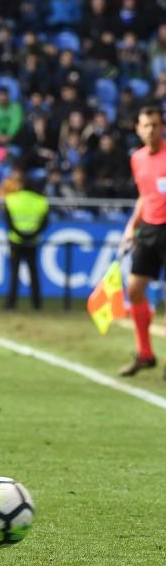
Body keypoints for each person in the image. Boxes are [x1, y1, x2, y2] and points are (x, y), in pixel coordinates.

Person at [119, 106, 166, 378]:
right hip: (148, 229)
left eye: (156, 125)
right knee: (135, 290)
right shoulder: (137, 159)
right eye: (146, 125)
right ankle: (145, 354)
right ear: (138, 128)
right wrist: (131, 227)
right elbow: (145, 196)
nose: (151, 130)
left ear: (162, 128)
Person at [0, 167, 50, 311]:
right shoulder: (41, 201)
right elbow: (45, 223)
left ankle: (11, 304)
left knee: (14, 274)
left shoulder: (11, 200)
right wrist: (32, 234)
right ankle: (37, 304)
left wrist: (20, 234)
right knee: (33, 273)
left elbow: (8, 222)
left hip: (15, 241)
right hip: (32, 242)